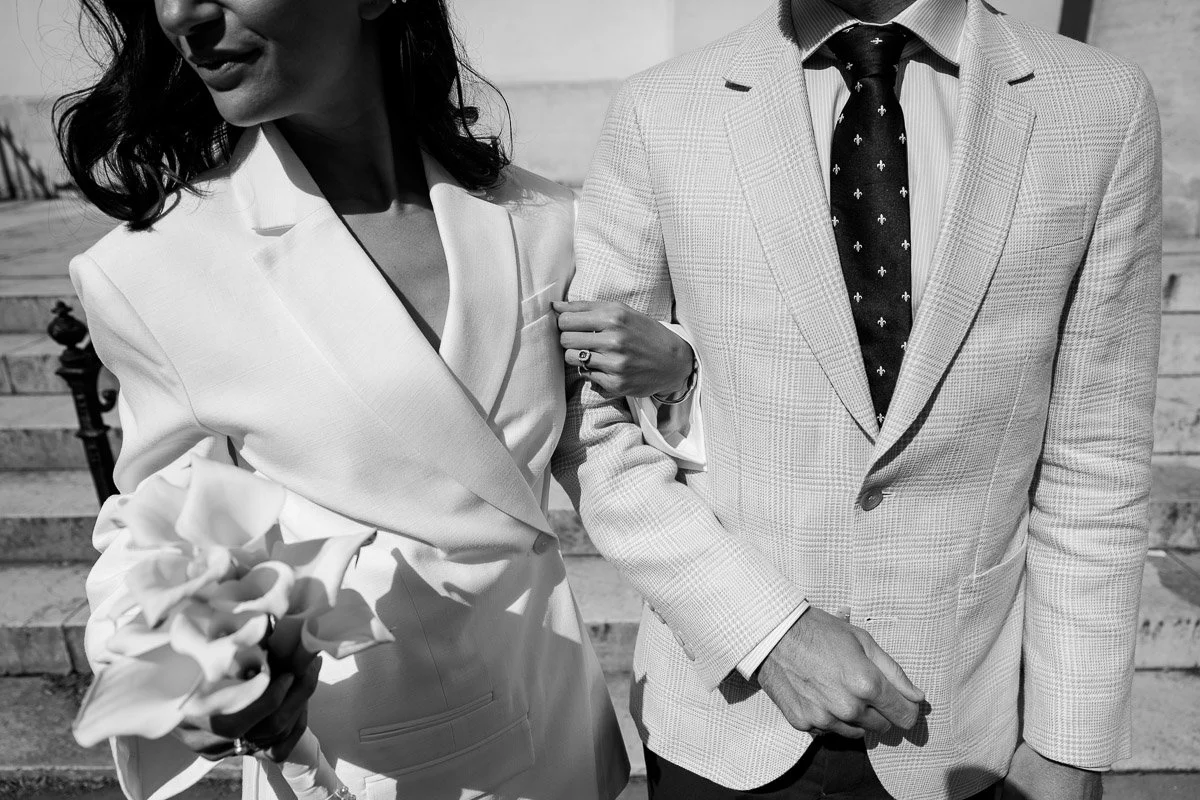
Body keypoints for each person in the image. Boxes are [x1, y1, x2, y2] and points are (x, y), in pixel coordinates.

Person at [57, 1, 699, 798]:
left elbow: (604, 448)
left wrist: (677, 370)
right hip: (359, 762)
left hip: (563, 727)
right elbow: (153, 530)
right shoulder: (150, 272)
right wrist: (186, 677)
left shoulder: (536, 220)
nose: (184, 12)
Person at [555, 0, 1162, 797]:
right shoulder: (662, 109)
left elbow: (1097, 454)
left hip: (968, 730)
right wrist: (769, 633)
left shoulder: (1098, 104)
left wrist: (1069, 747)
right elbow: (593, 423)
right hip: (723, 723)